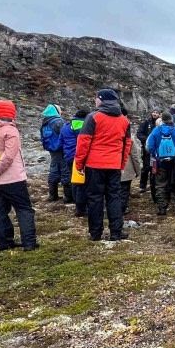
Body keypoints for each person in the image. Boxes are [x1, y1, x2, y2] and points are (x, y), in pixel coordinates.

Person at [0, 100, 38, 251]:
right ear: (10, 112)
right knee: (24, 209)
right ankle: (29, 243)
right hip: (12, 179)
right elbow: (9, 157)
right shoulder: (10, 130)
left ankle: (4, 243)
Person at [74, 89, 132, 241]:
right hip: (114, 165)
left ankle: (95, 233)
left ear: (102, 99)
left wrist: (79, 164)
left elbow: (83, 142)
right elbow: (126, 145)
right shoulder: (124, 121)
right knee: (114, 197)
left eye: (96, 98)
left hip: (94, 165)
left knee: (95, 198)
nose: (95, 100)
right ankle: (116, 232)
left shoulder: (93, 117)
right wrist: (121, 165)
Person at [146, 111, 175, 216]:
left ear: (162, 119)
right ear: (171, 119)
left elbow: (150, 146)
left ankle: (162, 209)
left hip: (161, 163)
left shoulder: (156, 131)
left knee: (161, 185)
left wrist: (156, 156)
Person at [61, 107, 88, 216]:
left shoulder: (65, 127)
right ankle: (83, 207)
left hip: (69, 157)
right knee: (84, 182)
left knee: (74, 181)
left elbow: (60, 142)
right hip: (82, 157)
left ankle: (77, 203)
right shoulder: (86, 126)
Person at [40, 104, 67, 201]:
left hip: (52, 149)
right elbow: (65, 135)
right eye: (59, 109)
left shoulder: (45, 122)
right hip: (61, 149)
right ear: (55, 111)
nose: (61, 111)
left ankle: (53, 195)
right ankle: (69, 196)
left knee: (54, 170)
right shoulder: (59, 121)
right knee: (65, 171)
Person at [136, 107, 160, 196]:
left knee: (155, 168)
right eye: (154, 112)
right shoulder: (146, 122)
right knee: (146, 168)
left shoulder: (160, 123)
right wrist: (147, 140)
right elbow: (139, 133)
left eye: (156, 112)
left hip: (157, 151)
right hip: (146, 150)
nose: (155, 114)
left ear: (159, 114)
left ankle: (154, 185)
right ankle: (142, 186)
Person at [120, 128, 143, 214]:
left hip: (110, 167)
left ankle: (112, 209)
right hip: (126, 168)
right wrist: (138, 171)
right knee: (124, 191)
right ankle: (122, 209)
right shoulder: (129, 137)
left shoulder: (107, 135)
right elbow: (134, 155)